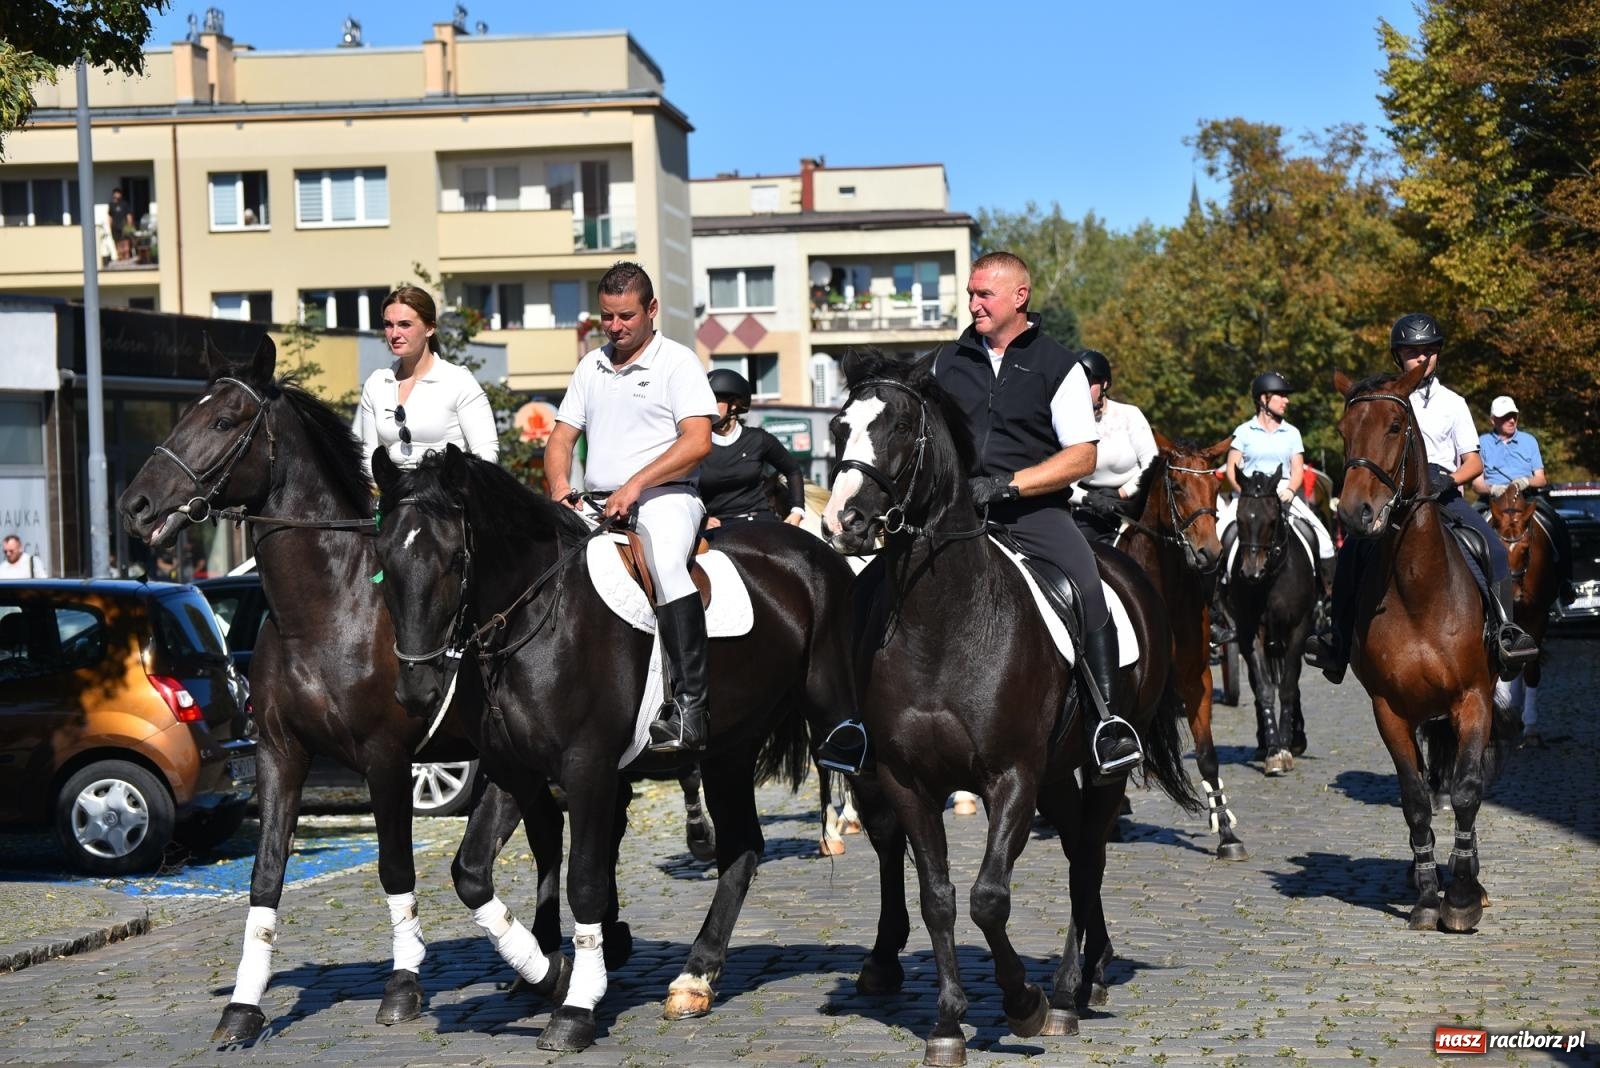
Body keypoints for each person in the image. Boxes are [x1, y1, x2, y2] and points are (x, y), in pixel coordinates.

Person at [545, 263, 867, 771]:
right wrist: (561, 488)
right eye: (607, 317)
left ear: (651, 310)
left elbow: (696, 441)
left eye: (625, 316)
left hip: (666, 497)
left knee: (668, 566)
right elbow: (561, 437)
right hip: (598, 501)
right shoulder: (591, 367)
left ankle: (691, 706)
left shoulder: (677, 363)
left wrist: (636, 484)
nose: (615, 327)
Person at [930, 251, 1141, 780]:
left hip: (1032, 513)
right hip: (953, 512)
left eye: (985, 294)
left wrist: (1008, 484)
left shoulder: (1058, 365)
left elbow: (1081, 457)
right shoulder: (947, 360)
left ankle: (1108, 724)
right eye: (972, 294)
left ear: (1019, 297)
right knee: (873, 581)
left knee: (1090, 587)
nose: (974, 303)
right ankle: (856, 721)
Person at [1306, 313, 1540, 683]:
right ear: (1399, 357)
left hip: (1443, 497)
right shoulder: (1385, 400)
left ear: (1437, 355)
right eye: (1412, 352)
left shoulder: (1453, 403)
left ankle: (1504, 634)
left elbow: (1474, 461)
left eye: (1428, 351)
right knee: (1351, 552)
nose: (1421, 359)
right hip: (1394, 500)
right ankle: (1338, 642)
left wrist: (1448, 479)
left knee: (1493, 549)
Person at [354, 285, 499, 475]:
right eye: (389, 325)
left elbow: (486, 453)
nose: (394, 334)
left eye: (405, 325)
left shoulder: (458, 381)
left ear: (430, 328)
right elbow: (369, 457)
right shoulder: (376, 384)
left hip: (446, 497)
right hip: (396, 497)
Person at [1220, 371, 1337, 591]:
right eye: (1281, 395)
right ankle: (1217, 596)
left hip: (1282, 490)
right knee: (1216, 539)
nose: (1287, 400)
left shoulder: (1292, 433)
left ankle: (1328, 596)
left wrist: (1292, 491)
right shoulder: (1243, 432)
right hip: (1247, 493)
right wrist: (1244, 493)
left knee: (1324, 541)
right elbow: (1231, 471)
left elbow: (1297, 470)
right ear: (1264, 399)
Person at [1470, 395, 1576, 605]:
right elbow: (1476, 484)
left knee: (1557, 524)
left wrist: (1525, 482)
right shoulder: (1481, 442)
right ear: (1493, 420)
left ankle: (1565, 582)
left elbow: (1541, 478)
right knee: (1466, 527)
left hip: (1526, 497)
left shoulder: (1529, 441)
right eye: (1505, 417)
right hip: (1494, 498)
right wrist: (1494, 488)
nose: (1511, 420)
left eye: (1513, 416)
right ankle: (1470, 586)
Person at [699, 369, 808, 529]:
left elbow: (793, 470)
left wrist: (797, 510)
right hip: (719, 528)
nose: (705, 406)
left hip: (761, 521)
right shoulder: (696, 444)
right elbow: (683, 490)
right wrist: (701, 520)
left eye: (714, 400)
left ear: (734, 405)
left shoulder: (759, 439)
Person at [1069, 349, 1157, 545]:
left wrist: (1121, 493)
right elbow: (1062, 479)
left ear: (1105, 384)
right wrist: (1090, 499)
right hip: (1089, 506)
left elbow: (1152, 463)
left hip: (1133, 499)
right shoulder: (1066, 422)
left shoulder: (1130, 415)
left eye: (1088, 383)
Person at [108, 189, 133, 262]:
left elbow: (129, 215)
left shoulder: (124, 204)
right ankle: (120, 257)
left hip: (124, 227)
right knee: (117, 242)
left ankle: (127, 257)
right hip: (115, 227)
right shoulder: (111, 205)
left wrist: (129, 226)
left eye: (118, 193)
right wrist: (109, 226)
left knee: (125, 242)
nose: (117, 195)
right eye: (115, 193)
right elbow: (110, 216)